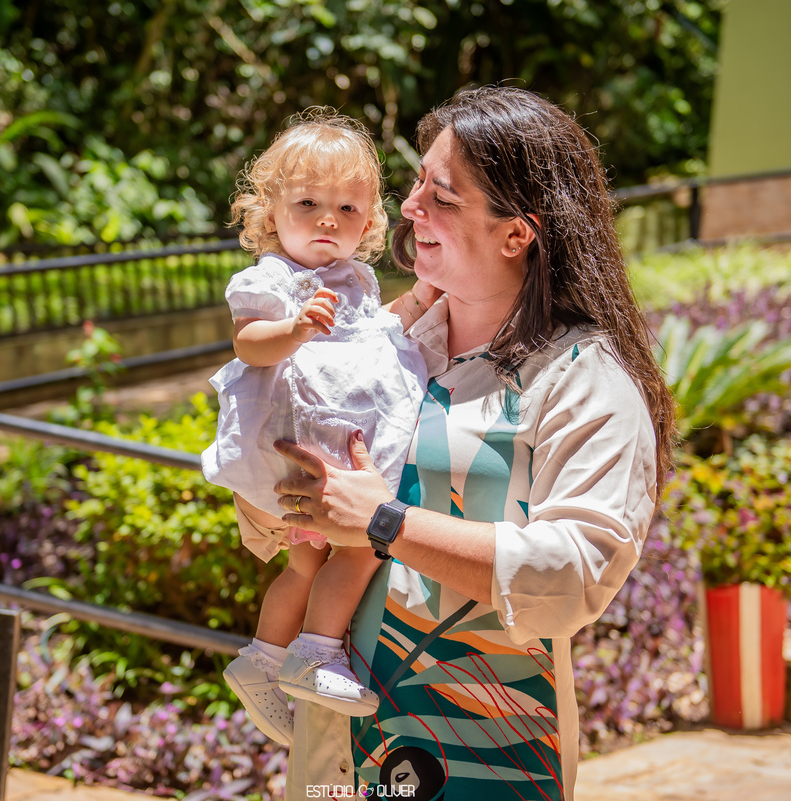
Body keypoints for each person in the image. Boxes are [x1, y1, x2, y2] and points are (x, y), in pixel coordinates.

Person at [271, 86, 675, 799]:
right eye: (417, 183)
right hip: (342, 748)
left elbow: (576, 572)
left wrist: (385, 521)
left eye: (442, 196)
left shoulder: (584, 378)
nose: (409, 207)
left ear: (516, 234)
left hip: (484, 747)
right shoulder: (384, 346)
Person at [201, 110, 437, 748]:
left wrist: (419, 303)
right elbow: (249, 344)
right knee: (360, 548)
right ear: (270, 211)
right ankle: (317, 653)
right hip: (304, 449)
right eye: (309, 203)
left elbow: (375, 336)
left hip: (329, 448)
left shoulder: (357, 279)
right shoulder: (271, 278)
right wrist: (296, 328)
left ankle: (261, 661)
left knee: (305, 563)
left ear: (369, 222)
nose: (329, 220)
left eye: (347, 207)